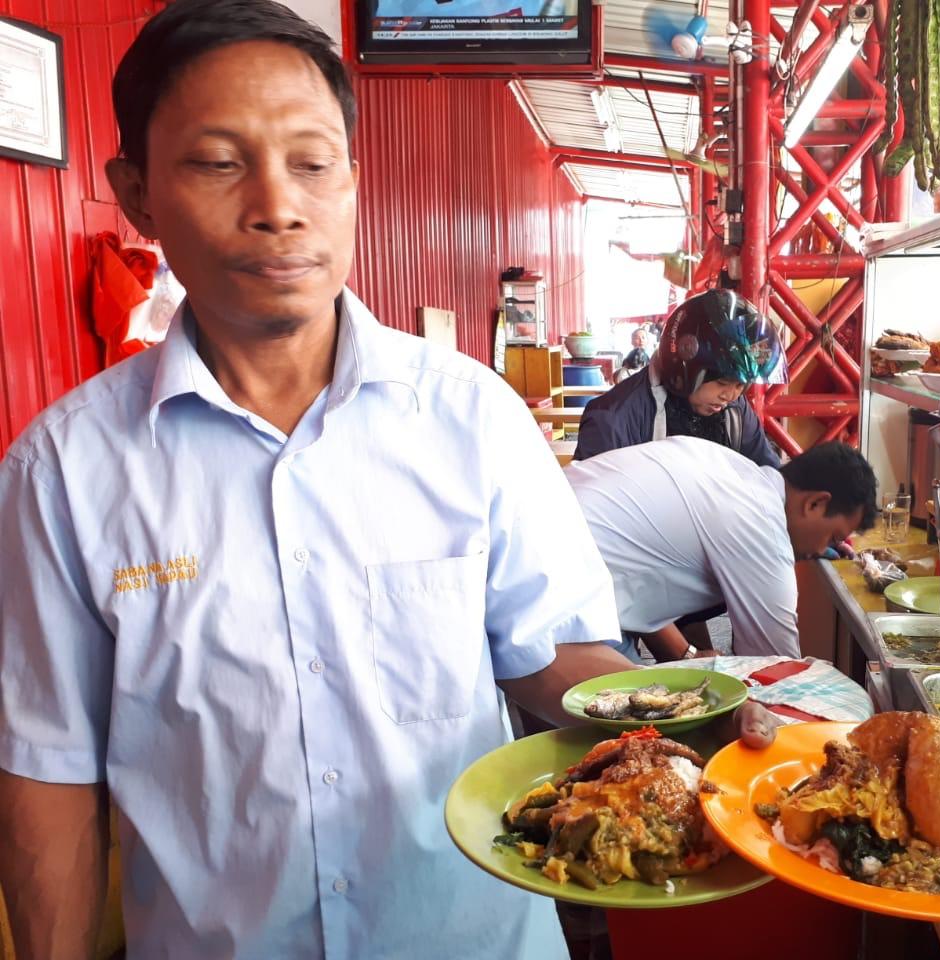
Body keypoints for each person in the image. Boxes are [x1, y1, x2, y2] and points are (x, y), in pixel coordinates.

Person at [0, 3, 775, 958]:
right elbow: (48, 771)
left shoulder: (473, 419)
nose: (278, 205)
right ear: (138, 192)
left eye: (313, 163)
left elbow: (544, 656)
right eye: (217, 161)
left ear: (354, 184)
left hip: (471, 937)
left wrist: (694, 714)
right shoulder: (63, 473)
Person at [564, 437, 878, 662]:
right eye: (833, 535)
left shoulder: (736, 472)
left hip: (553, 548)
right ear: (815, 503)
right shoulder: (760, 526)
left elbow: (638, 553)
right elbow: (773, 666)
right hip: (565, 598)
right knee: (630, 739)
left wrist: (682, 654)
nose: (824, 548)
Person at [574, 289, 784, 466]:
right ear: (685, 370)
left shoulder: (735, 412)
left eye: (740, 385)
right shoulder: (612, 421)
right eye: (722, 383)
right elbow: (592, 508)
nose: (730, 395)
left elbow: (767, 472)